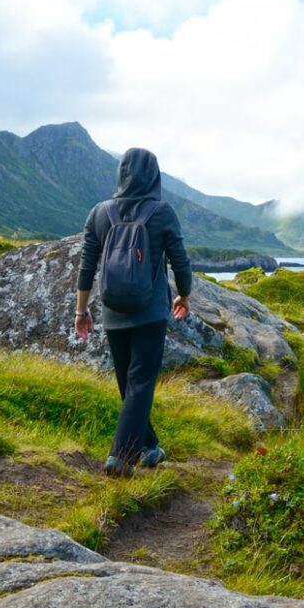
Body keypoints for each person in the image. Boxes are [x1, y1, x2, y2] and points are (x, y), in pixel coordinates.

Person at [75, 147, 192, 477]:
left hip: (113, 311)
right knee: (139, 382)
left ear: (121, 174)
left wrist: (81, 311)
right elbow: (181, 263)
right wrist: (184, 294)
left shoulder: (100, 213)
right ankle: (121, 457)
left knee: (129, 383)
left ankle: (150, 448)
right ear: (154, 176)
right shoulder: (162, 212)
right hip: (151, 312)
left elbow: (87, 267)